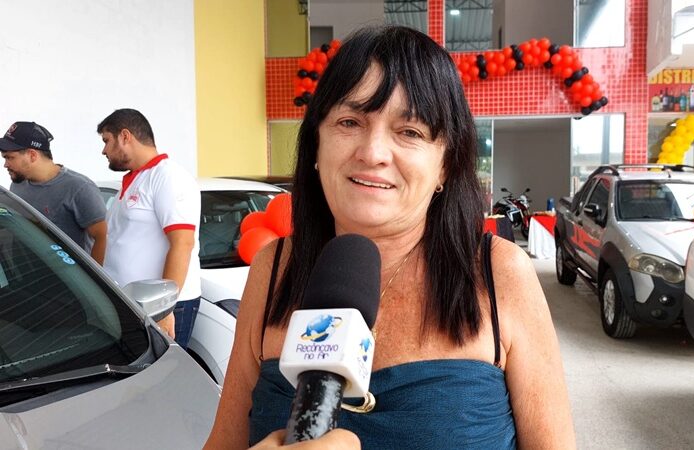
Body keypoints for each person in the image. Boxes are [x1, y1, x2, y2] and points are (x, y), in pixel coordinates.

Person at [206, 25, 575, 449]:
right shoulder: (273, 268)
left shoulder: (500, 272)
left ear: (445, 165)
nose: (373, 153)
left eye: (410, 132)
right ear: (316, 147)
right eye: (349, 122)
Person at [96, 109, 201, 347]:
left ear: (125, 136)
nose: (103, 150)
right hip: (134, 302)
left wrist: (164, 308)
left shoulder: (168, 176)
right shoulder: (138, 178)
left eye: (106, 141)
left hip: (160, 306)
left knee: (163, 371)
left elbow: (183, 243)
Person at [0, 121, 107, 263]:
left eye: (9, 157)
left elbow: (101, 237)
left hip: (65, 275)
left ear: (32, 155)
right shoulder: (17, 184)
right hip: (25, 273)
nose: (5, 164)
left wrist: (91, 277)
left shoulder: (79, 188)